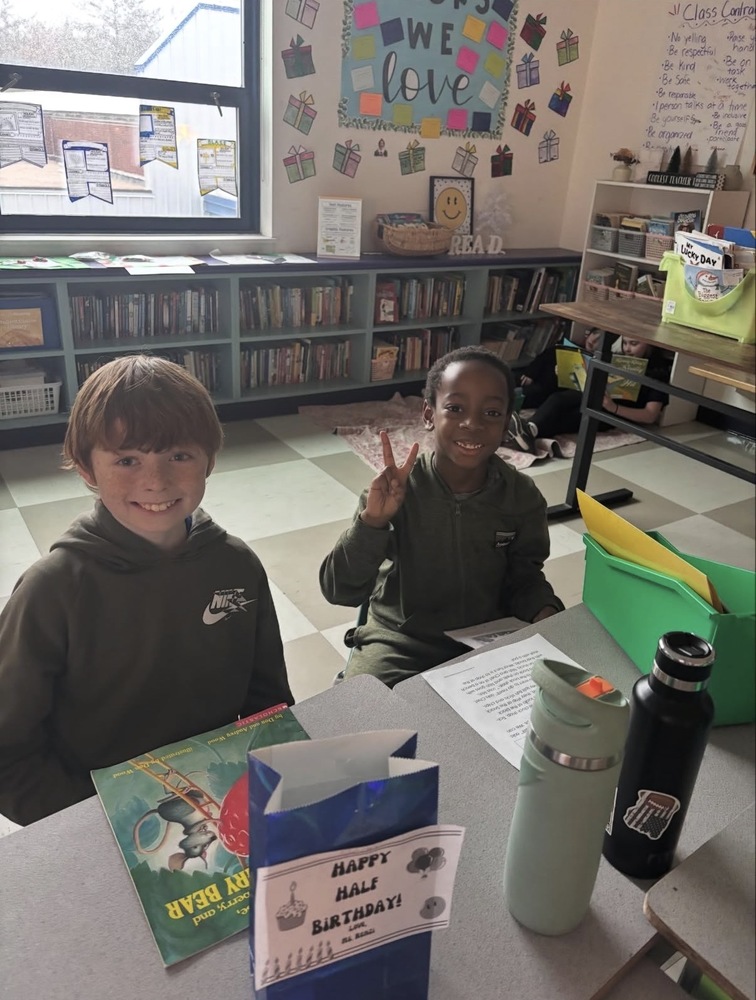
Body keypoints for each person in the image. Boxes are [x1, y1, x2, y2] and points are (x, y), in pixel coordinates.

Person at [0, 355, 293, 826]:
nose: (155, 482)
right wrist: (93, 823)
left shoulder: (236, 565)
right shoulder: (50, 590)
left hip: (221, 806)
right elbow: (9, 754)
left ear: (209, 461)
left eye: (178, 455)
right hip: (93, 814)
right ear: (86, 470)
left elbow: (269, 704)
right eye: (127, 460)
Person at [319, 346, 563, 688]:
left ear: (508, 421)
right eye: (455, 408)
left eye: (492, 412)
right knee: (362, 715)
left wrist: (545, 611)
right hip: (400, 641)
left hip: (488, 637)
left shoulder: (521, 497)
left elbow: (525, 577)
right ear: (429, 413)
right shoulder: (394, 492)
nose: (473, 424)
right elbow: (339, 590)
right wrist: (371, 523)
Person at [507, 335, 671, 452]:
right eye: (625, 343)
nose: (627, 349)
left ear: (650, 344)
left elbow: (650, 415)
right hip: (595, 394)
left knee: (574, 419)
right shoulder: (618, 359)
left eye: (634, 344)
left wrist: (613, 407)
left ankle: (526, 432)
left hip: (615, 411)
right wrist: (566, 372)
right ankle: (526, 431)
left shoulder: (658, 372)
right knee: (557, 399)